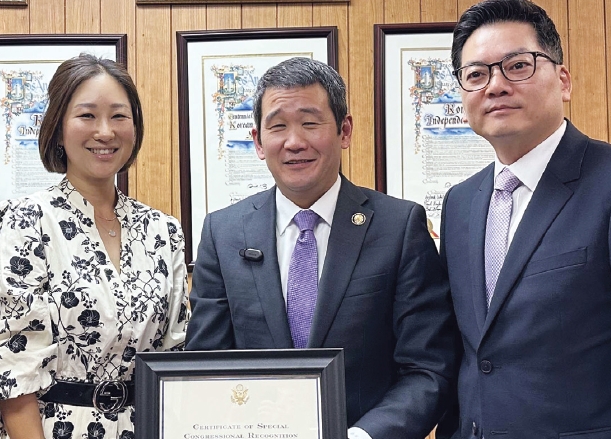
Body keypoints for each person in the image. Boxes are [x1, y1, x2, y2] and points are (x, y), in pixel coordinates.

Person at [440, 1, 611, 437]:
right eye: (476, 74)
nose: (495, 85)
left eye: (517, 66)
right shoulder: (460, 202)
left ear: (563, 80)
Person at [185, 57, 458, 439]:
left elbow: (429, 367)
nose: (295, 142)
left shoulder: (399, 227)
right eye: (277, 126)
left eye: (310, 123)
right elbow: (206, 366)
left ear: (344, 131)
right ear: (258, 142)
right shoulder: (224, 233)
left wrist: (361, 436)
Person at [0, 54, 190, 439]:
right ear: (59, 127)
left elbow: (175, 353)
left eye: (118, 116)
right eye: (87, 116)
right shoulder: (21, 220)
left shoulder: (162, 231)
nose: (105, 131)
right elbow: (12, 370)